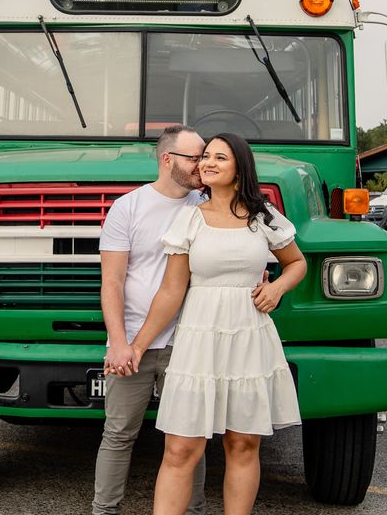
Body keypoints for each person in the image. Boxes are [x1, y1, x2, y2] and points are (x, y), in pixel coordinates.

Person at [127, 132, 307, 515]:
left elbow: (297, 263)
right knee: (180, 448)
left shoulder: (264, 216)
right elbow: (171, 291)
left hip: (249, 337)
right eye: (205, 156)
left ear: (239, 169)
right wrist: (139, 344)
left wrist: (277, 289)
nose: (207, 163)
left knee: (242, 444)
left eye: (219, 158)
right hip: (199, 340)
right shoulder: (188, 219)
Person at [92, 125, 207, 515]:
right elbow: (112, 281)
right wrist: (119, 343)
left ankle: (192, 510)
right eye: (194, 157)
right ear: (167, 159)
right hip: (133, 344)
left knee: (189, 437)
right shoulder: (128, 207)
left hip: (189, 341)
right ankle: (104, 510)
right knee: (119, 433)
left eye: (204, 156)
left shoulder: (206, 205)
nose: (201, 165)